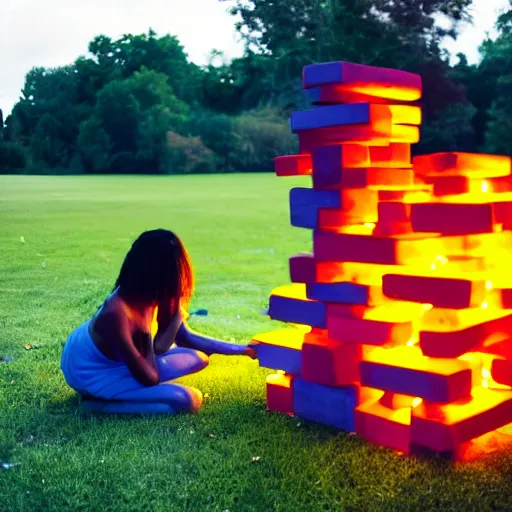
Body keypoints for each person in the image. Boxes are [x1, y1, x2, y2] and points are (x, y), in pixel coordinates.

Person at [61, 229, 257, 414]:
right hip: (89, 370)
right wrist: (148, 331)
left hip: (125, 362)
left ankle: (119, 394)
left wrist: (241, 349)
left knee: (199, 358)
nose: (178, 276)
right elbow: (149, 377)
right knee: (187, 400)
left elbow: (186, 338)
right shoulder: (117, 313)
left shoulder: (154, 295)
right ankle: (97, 405)